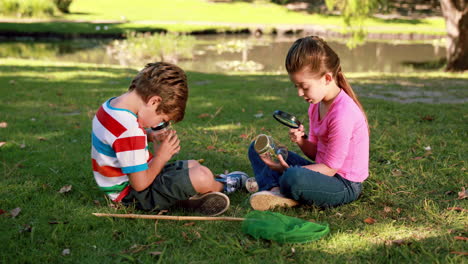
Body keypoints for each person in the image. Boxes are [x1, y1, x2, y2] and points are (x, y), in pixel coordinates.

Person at [91, 62, 247, 216]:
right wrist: (161, 156)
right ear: (154, 102)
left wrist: (149, 136)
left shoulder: (111, 106)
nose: (158, 124)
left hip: (127, 183)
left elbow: (118, 142)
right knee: (201, 176)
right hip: (133, 196)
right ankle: (223, 185)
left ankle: (191, 198)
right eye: (162, 118)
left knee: (192, 165)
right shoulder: (130, 130)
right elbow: (140, 184)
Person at [248, 36, 369, 211]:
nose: (299, 93)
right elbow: (317, 155)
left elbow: (329, 168)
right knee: (257, 148)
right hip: (324, 173)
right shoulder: (316, 105)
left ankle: (280, 187)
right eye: (296, 86)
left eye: (304, 86)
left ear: (327, 78)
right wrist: (302, 141)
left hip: (344, 184)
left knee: (293, 177)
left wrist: (285, 170)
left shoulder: (343, 114)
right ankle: (275, 192)